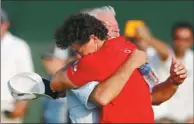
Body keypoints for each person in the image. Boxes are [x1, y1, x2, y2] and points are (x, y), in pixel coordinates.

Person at [50, 13, 187, 123]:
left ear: (93, 38)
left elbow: (55, 82)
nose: (79, 56)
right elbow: (154, 96)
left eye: (79, 50)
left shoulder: (90, 62)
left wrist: (68, 69)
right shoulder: (133, 50)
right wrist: (174, 82)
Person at [130, 22, 193, 122]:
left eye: (186, 39)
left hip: (185, 119)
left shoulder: (191, 59)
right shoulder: (155, 55)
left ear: (191, 40)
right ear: (172, 39)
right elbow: (166, 53)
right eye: (178, 38)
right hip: (162, 118)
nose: (181, 42)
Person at [1, 9, 34, 123]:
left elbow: (27, 78)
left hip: (7, 109)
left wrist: (21, 105)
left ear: (5, 24)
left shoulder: (19, 46)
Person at [40, 44, 73, 123]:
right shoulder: (47, 80)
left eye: (49, 59)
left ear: (63, 61)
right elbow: (45, 112)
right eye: (45, 59)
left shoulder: (72, 83)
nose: (45, 63)